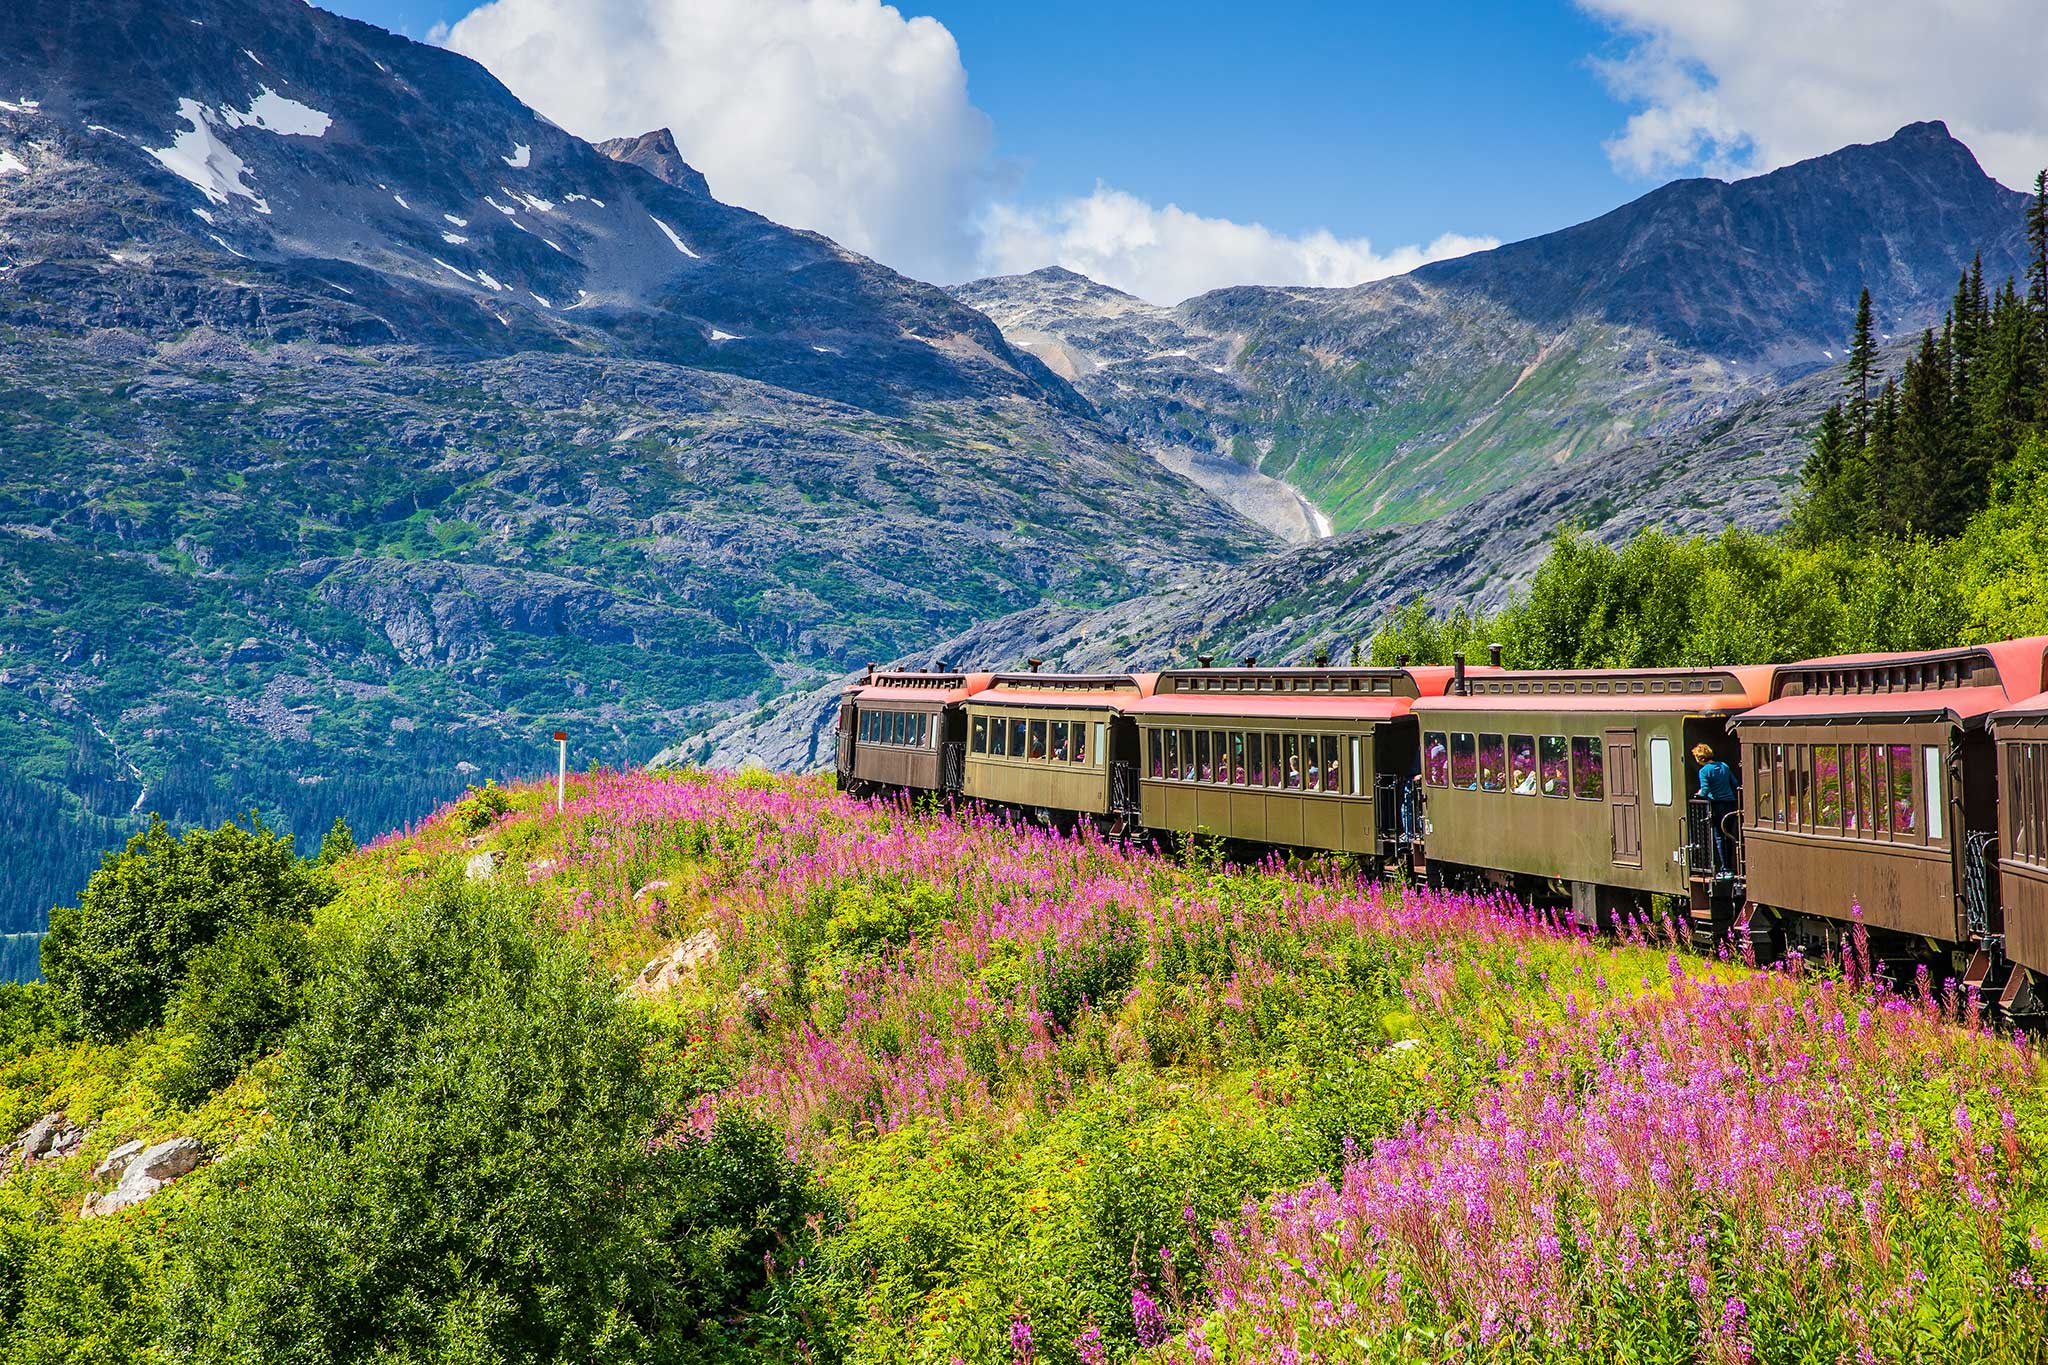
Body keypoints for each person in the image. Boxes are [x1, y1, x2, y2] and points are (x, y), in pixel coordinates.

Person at [1694, 743, 1739, 874]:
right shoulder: (1724, 766)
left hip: (1717, 805)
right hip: (1730, 805)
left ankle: (1725, 868)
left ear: (1699, 758)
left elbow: (1705, 790)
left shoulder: (1704, 771)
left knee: (1719, 837)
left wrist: (1699, 793)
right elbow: (1735, 783)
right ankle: (1731, 866)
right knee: (1729, 836)